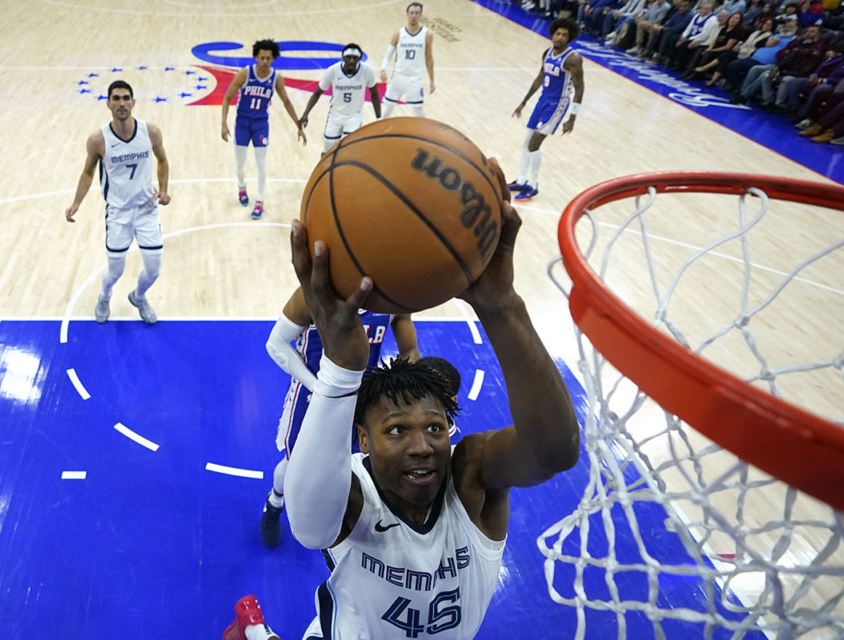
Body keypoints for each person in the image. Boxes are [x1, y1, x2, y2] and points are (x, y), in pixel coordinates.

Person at [224, 165, 581, 640]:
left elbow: (555, 451)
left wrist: (501, 306)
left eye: (434, 427)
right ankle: (253, 631)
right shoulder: (353, 494)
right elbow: (309, 529)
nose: (421, 445)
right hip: (329, 388)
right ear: (363, 441)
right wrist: (337, 374)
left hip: (353, 386)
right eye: (397, 430)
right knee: (292, 469)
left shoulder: (470, 476)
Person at [259, 286, 420, 548]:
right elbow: (275, 344)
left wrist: (400, 389)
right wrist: (320, 388)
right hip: (310, 395)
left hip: (362, 400)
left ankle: (346, 526)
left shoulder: (393, 294)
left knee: (355, 465)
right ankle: (275, 501)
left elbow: (410, 350)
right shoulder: (314, 292)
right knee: (294, 464)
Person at [65, 80, 170, 325]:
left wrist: (163, 190)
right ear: (108, 103)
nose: (121, 103)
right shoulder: (97, 140)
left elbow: (163, 161)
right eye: (116, 98)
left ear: (133, 102)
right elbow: (88, 172)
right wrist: (77, 203)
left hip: (147, 209)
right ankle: (104, 296)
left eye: (126, 98)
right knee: (115, 271)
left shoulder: (151, 132)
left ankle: (139, 296)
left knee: (154, 269)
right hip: (118, 213)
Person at [221, 39, 307, 220]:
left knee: (261, 163)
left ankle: (259, 200)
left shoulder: (276, 78)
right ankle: (242, 185)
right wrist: (223, 123)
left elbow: (287, 102)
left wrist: (298, 126)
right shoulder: (245, 74)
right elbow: (227, 98)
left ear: (273, 58)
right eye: (262, 58)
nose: (265, 61)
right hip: (242, 123)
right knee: (240, 164)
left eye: (268, 58)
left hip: (260, 124)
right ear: (256, 57)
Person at [508, 18, 585, 202]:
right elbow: (539, 78)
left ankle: (533, 185)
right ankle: (521, 179)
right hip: (543, 100)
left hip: (557, 104)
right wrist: (524, 102)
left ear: (569, 38)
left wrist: (572, 117)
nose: (559, 37)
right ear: (552, 34)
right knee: (527, 141)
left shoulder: (573, 59)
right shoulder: (547, 52)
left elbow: (580, 87)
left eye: (564, 35)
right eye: (557, 33)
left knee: (534, 144)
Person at [298, 43, 381, 154]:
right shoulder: (332, 71)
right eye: (349, 57)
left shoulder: (367, 71)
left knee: (350, 149)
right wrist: (305, 113)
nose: (351, 61)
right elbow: (317, 93)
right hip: (335, 115)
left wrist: (379, 118)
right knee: (327, 151)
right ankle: (324, 171)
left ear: (359, 59)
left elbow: (374, 94)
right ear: (343, 58)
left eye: (355, 58)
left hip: (354, 116)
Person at [380, 2, 435, 118]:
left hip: (415, 78)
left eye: (416, 13)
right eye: (411, 13)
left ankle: (423, 134)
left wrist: (432, 80)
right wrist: (383, 69)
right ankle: (378, 132)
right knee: (387, 109)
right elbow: (388, 55)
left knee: (418, 111)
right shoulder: (399, 34)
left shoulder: (427, 35)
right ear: (407, 15)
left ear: (421, 15)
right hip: (398, 76)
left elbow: (429, 59)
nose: (413, 16)